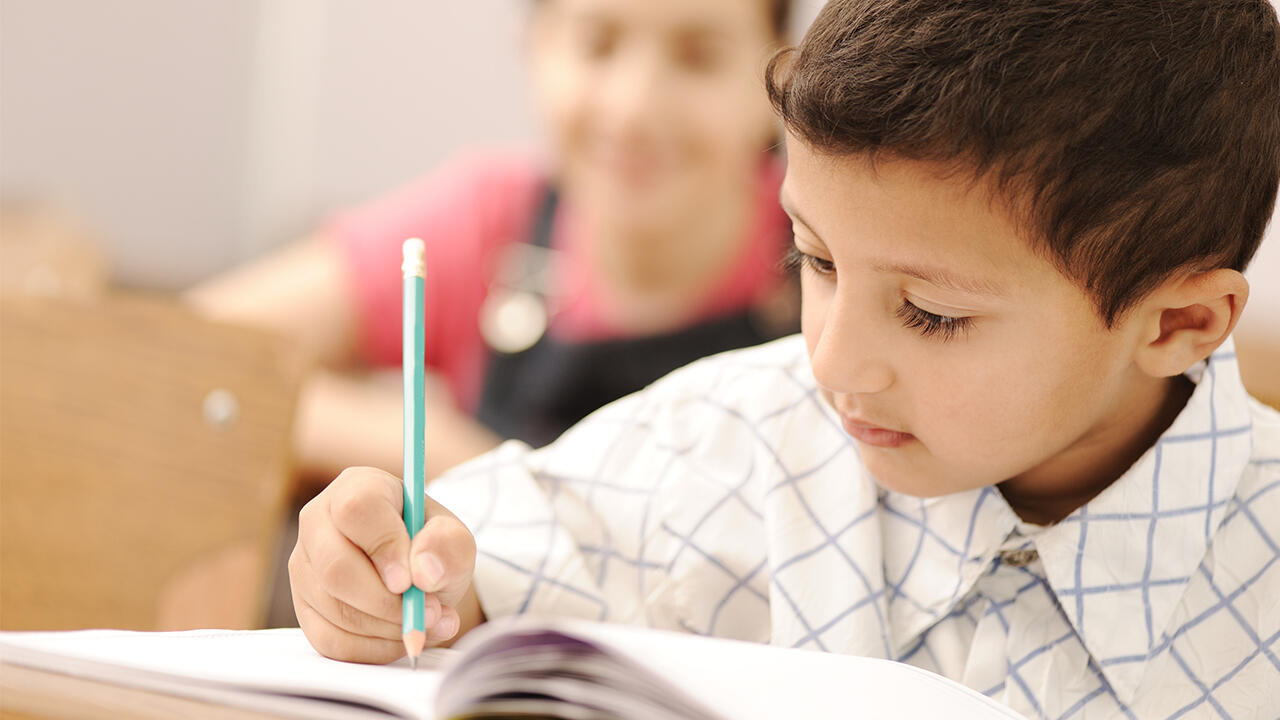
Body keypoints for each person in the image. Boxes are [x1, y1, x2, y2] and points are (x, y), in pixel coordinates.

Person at [288, 1, 1280, 717]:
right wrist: (384, 569)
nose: (834, 361)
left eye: (930, 314)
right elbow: (483, 556)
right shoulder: (735, 440)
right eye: (811, 259)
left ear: (1177, 325)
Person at [187, 0, 798, 484]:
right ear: (533, 47)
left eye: (699, 57)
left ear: (779, 74)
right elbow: (182, 359)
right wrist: (435, 451)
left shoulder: (824, 248)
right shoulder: (489, 224)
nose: (634, 106)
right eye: (598, 43)